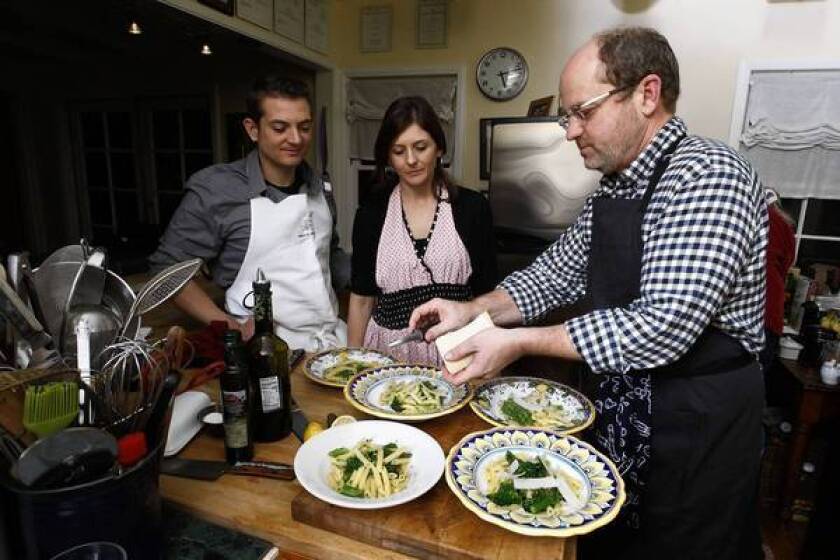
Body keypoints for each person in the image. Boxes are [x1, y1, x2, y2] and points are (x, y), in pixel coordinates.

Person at [410, 27, 766, 558]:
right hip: (628, 415)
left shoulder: (708, 176)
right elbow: (551, 275)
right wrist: (473, 307)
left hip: (695, 422)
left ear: (647, 94)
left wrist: (520, 342)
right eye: (566, 116)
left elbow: (662, 325)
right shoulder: (614, 191)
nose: (570, 131)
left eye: (584, 111)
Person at [149, 75, 349, 351]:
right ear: (252, 129)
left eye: (304, 127)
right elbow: (167, 271)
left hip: (332, 344)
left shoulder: (320, 187)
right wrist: (230, 326)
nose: (295, 138)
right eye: (280, 127)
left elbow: (328, 257)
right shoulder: (217, 189)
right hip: (265, 351)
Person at [347, 96, 497, 365]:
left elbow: (487, 294)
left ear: (438, 148)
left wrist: (493, 361)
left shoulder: (472, 208)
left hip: (458, 351)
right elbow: (361, 300)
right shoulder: (371, 213)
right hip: (387, 354)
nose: (411, 160)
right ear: (388, 157)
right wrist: (352, 363)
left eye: (420, 147)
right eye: (398, 151)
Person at [760, 188, 796, 375]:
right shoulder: (784, 225)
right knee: (758, 372)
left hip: (742, 306)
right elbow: (786, 265)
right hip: (770, 305)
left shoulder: (745, 217)